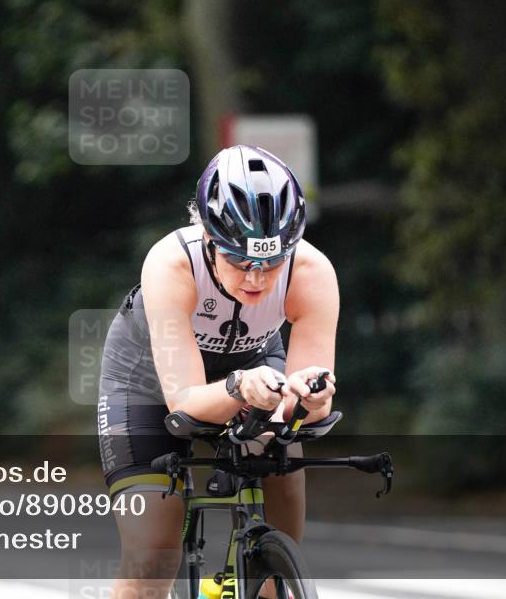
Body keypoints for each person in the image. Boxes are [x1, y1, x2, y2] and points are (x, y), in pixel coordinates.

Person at [96, 145, 339, 599]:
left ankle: (269, 581)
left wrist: (311, 396)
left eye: (271, 262)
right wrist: (240, 386)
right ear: (207, 237)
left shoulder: (311, 272)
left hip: (253, 366)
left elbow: (307, 398)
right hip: (148, 381)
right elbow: (185, 400)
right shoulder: (171, 265)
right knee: (153, 554)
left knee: (284, 455)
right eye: (240, 261)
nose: (256, 279)